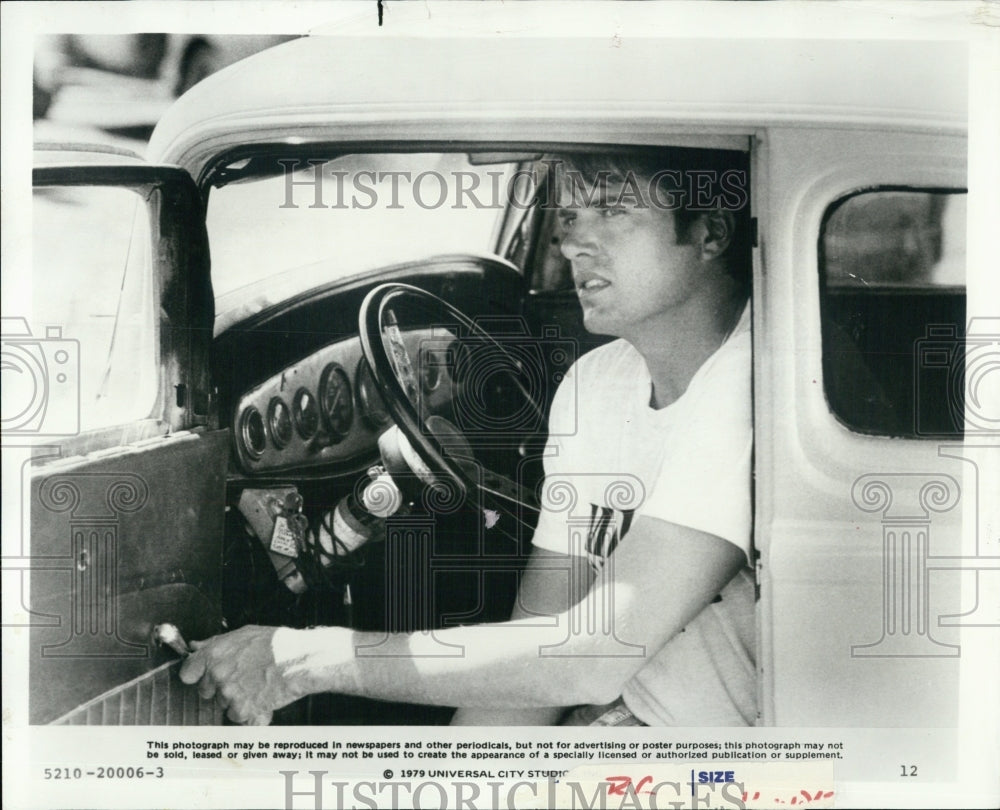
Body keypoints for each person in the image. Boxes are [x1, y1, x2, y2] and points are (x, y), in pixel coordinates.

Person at [180, 150, 755, 727]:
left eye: (610, 210)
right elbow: (540, 646)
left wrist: (301, 662)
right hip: (618, 723)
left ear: (710, 233)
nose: (574, 244)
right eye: (571, 218)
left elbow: (591, 657)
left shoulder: (750, 384)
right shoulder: (599, 382)